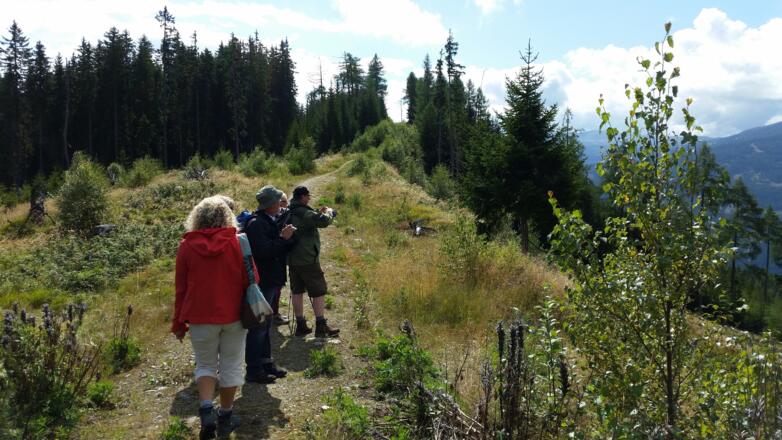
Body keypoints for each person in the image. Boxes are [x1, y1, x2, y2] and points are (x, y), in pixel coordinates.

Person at [172, 196, 256, 439]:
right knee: (231, 365)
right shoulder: (239, 242)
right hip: (233, 317)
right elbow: (253, 280)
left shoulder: (187, 246)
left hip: (199, 317)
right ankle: (226, 415)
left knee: (205, 364)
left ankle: (206, 409)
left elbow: (181, 288)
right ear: (227, 217)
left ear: (197, 217)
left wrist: (178, 322)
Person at [243, 185, 296, 383]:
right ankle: (254, 369)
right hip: (263, 281)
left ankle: (266, 363)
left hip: (271, 279)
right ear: (270, 204)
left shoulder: (268, 220)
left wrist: (287, 238)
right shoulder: (256, 223)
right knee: (258, 325)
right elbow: (264, 252)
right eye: (277, 201)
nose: (280, 205)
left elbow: (279, 247)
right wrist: (283, 239)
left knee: (266, 323)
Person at [287, 185, 340, 337]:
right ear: (302, 197)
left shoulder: (290, 211)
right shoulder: (304, 212)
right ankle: (321, 325)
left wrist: (316, 213)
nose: (309, 198)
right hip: (307, 258)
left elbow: (307, 221)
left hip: (292, 258)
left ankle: (300, 324)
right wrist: (330, 212)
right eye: (308, 196)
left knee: (297, 291)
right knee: (318, 290)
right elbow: (323, 222)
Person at [272, 192, 290, 325]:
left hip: (278, 256)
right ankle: (274, 314)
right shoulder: (277, 217)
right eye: (283, 202)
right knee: (276, 286)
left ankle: (273, 313)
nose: (285, 205)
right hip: (275, 257)